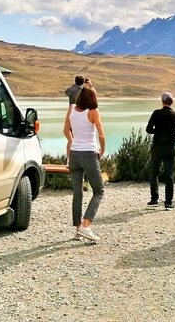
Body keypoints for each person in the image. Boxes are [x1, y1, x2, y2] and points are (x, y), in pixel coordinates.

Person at [63, 86, 106, 242]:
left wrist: (73, 142)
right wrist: (102, 151)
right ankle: (86, 226)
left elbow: (65, 130)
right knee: (99, 191)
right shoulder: (93, 112)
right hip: (89, 154)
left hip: (74, 155)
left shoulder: (72, 108)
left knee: (77, 192)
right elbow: (101, 134)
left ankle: (78, 229)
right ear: (93, 98)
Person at [145, 92, 175, 210]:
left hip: (157, 147)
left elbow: (148, 129)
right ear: (171, 102)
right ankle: (168, 202)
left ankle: (154, 199)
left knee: (154, 173)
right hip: (169, 147)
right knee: (169, 175)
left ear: (162, 102)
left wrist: (158, 132)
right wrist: (172, 134)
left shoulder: (156, 113)